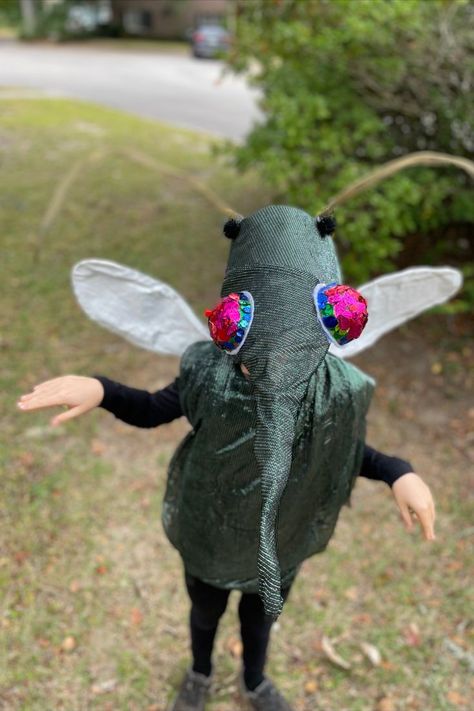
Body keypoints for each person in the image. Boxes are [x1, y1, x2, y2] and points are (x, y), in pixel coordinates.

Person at [18, 205, 436, 711]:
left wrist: (397, 472)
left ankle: (254, 680)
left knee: (260, 615)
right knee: (206, 608)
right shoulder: (208, 374)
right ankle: (199, 671)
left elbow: (345, 447)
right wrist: (102, 389)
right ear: (235, 321)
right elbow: (153, 410)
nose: (275, 359)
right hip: (211, 525)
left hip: (282, 531)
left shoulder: (335, 391)